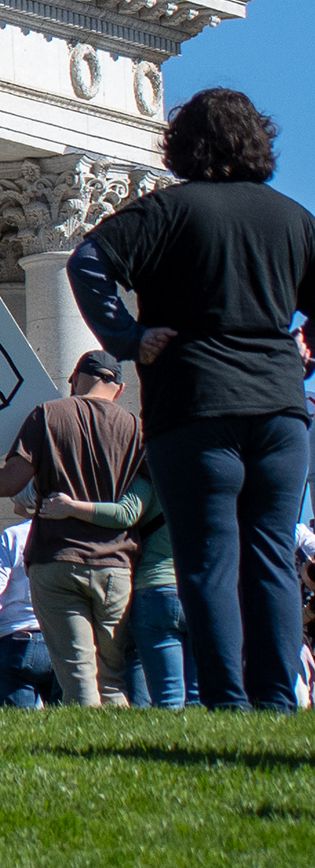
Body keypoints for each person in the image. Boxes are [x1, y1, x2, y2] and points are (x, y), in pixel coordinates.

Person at [66, 87, 313, 711]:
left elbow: (88, 259)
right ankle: (279, 701)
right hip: (282, 411)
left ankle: (227, 700)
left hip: (196, 402)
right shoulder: (292, 218)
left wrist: (127, 337)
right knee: (272, 557)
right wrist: (305, 350)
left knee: (207, 561)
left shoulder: (168, 211)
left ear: (182, 144)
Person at [0, 347, 143, 707]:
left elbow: (8, 483)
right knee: (113, 678)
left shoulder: (48, 415)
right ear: (119, 389)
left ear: (76, 379)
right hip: (116, 566)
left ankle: (86, 755)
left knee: (77, 678)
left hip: (57, 561)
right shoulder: (135, 428)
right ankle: (117, 752)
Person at [0, 495, 49, 707]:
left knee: (18, 734)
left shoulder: (12, 536)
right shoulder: (68, 535)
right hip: (58, 639)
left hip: (13, 640)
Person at [123, 502, 186, 708]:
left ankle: (166, 738)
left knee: (168, 696)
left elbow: (123, 515)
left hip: (154, 588)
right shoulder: (202, 485)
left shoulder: (146, 485)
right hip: (195, 591)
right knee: (197, 696)